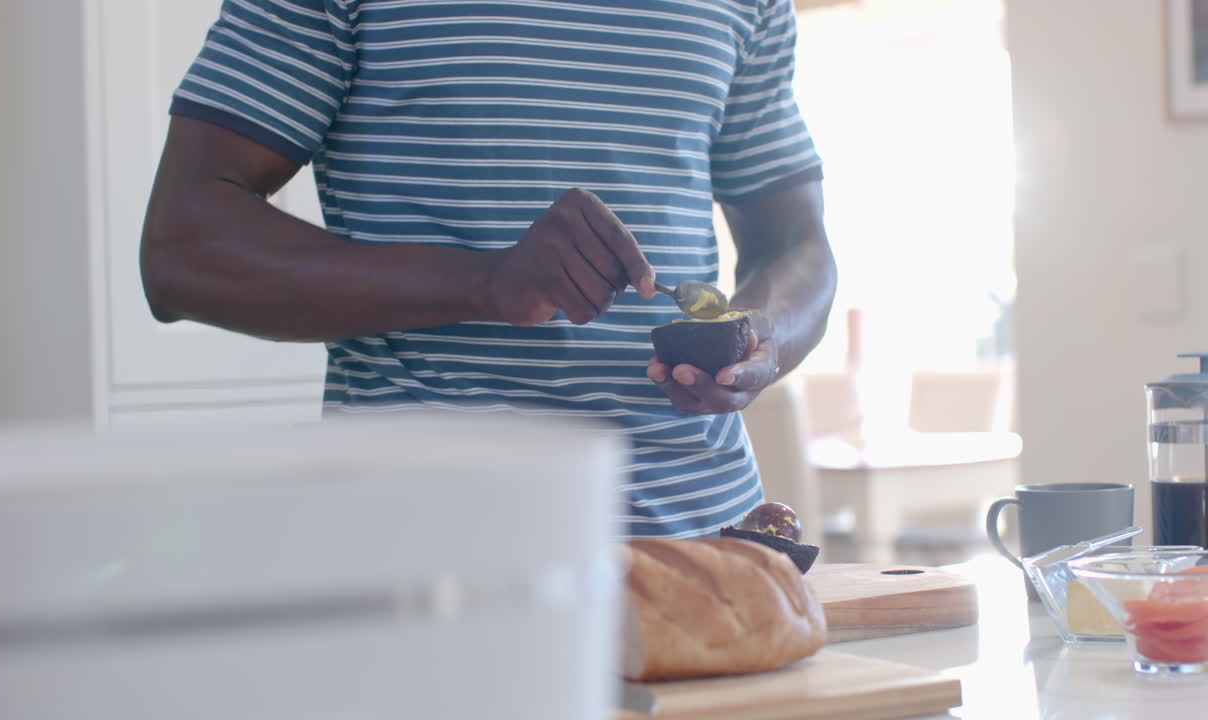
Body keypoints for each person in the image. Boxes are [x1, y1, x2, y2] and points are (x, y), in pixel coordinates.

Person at [140, 0, 836, 539]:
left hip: (708, 553)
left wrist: (761, 338)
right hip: (427, 561)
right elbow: (184, 245)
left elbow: (798, 244)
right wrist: (482, 281)